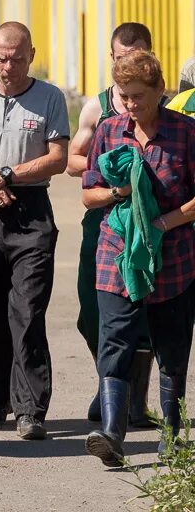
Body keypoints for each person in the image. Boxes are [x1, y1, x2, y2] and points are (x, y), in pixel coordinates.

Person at [82, 50, 195, 467]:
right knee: (115, 341)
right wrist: (119, 194)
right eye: (125, 96)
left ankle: (170, 433)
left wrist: (163, 223)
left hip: (174, 255)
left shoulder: (186, 133)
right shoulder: (110, 131)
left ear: (159, 91)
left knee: (171, 346)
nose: (131, 105)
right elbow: (88, 193)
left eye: (138, 97)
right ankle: (112, 434)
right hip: (118, 253)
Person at [0, 21, 69, 440]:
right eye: (2, 58)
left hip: (31, 213)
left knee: (27, 309)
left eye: (17, 59)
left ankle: (31, 409)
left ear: (32, 55)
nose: (9, 67)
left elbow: (58, 158)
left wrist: (7, 175)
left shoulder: (49, 97)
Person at [67, 23, 156, 427]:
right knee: (92, 314)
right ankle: (109, 383)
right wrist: (114, 165)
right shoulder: (97, 106)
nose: (129, 62)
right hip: (102, 220)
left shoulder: (164, 108)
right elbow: (72, 161)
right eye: (122, 55)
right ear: (112, 56)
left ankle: (128, 402)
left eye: (137, 54)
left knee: (144, 318)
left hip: (151, 225)